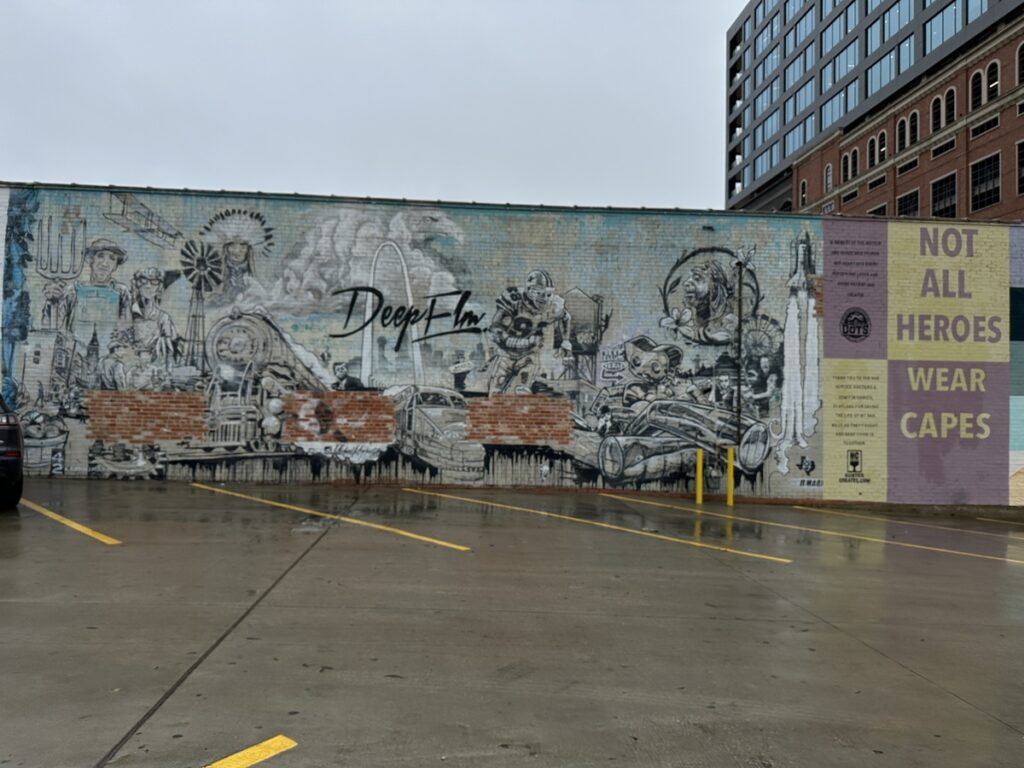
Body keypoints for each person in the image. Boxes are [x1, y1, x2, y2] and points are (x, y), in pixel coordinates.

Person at [487, 269, 572, 394]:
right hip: (506, 355)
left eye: (548, 295)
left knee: (522, 390)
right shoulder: (515, 300)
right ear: (530, 290)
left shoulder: (553, 306)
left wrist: (565, 340)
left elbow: (566, 317)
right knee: (495, 392)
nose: (545, 299)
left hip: (528, 356)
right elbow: (495, 329)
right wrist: (520, 343)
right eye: (540, 294)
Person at [41, 238, 131, 330]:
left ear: (115, 266)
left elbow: (126, 327)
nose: (105, 263)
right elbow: (51, 327)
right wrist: (52, 302)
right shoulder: (73, 291)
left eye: (112, 258)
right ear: (90, 260)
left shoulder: (121, 292)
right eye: (100, 256)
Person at [129, 268, 178, 365]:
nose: (148, 286)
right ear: (137, 284)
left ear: (159, 287)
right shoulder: (129, 313)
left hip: (155, 365)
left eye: (154, 281)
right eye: (143, 280)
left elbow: (169, 350)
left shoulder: (163, 317)